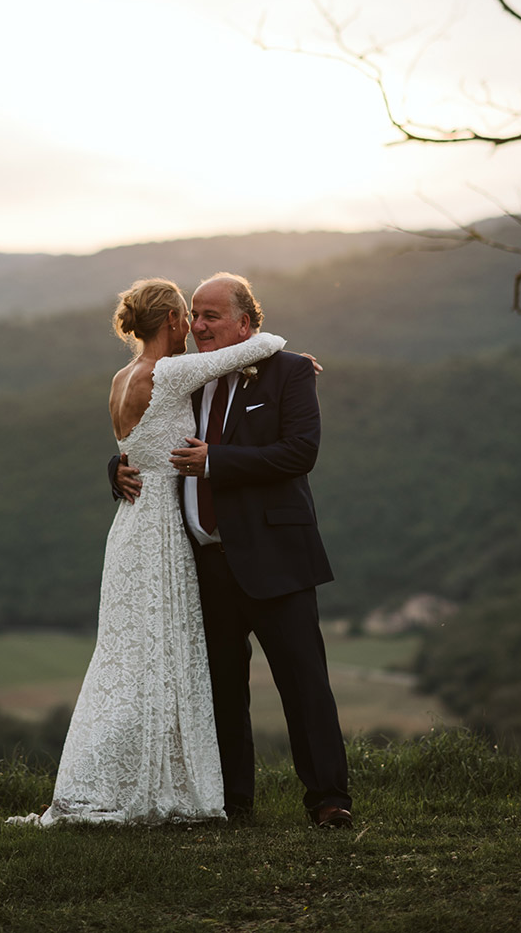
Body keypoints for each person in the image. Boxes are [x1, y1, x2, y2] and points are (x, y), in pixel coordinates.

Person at [10, 277, 284, 826]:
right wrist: (292, 357)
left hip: (129, 526)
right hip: (160, 527)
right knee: (160, 654)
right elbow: (258, 344)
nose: (193, 327)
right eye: (187, 317)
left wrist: (118, 470)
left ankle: (120, 773)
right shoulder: (170, 371)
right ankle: (150, 780)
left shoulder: (120, 377)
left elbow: (131, 447)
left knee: (129, 657)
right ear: (171, 322)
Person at [112, 272, 352, 828]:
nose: (198, 326)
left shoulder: (290, 372)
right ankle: (231, 803)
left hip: (276, 556)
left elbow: (300, 452)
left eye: (212, 316)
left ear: (246, 322)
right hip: (204, 564)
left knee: (303, 683)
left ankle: (328, 800)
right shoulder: (186, 379)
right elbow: (144, 432)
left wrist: (216, 461)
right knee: (219, 689)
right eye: (193, 316)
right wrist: (116, 467)